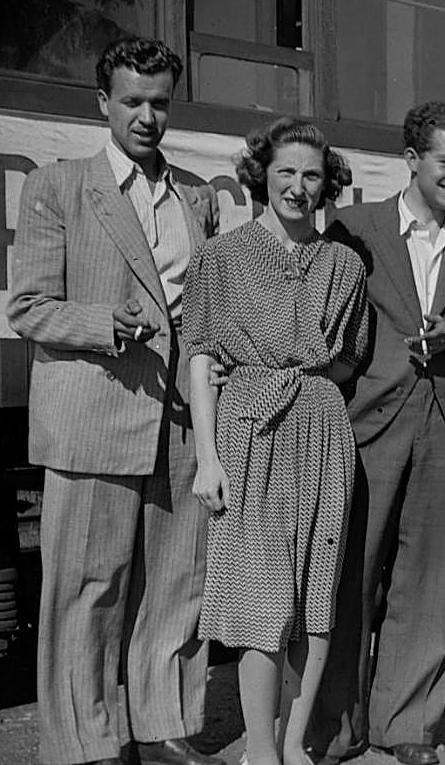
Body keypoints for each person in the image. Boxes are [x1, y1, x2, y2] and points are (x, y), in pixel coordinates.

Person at [7, 37, 221, 765]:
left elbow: (208, 304)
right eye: (132, 100)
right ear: (104, 103)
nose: (147, 116)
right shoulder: (58, 186)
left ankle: (164, 723)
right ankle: (90, 738)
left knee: (176, 582)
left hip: (183, 418)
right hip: (94, 412)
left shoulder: (197, 195)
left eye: (160, 102)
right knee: (87, 586)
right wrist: (103, 322)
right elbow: (30, 307)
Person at [312, 101, 445, 765]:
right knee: (348, 576)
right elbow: (325, 326)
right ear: (412, 160)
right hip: (368, 422)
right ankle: (334, 725)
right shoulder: (353, 230)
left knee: (432, 583)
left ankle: (408, 726)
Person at [183, 119, 369, 765]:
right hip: (248, 430)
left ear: (328, 185)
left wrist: (304, 382)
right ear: (261, 173)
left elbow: (347, 360)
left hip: (319, 429)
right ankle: (259, 748)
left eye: (312, 175)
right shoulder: (222, 256)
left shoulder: (343, 264)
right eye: (285, 172)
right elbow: (201, 358)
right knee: (261, 598)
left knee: (315, 595)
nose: (297, 186)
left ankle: (294, 743)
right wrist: (208, 457)